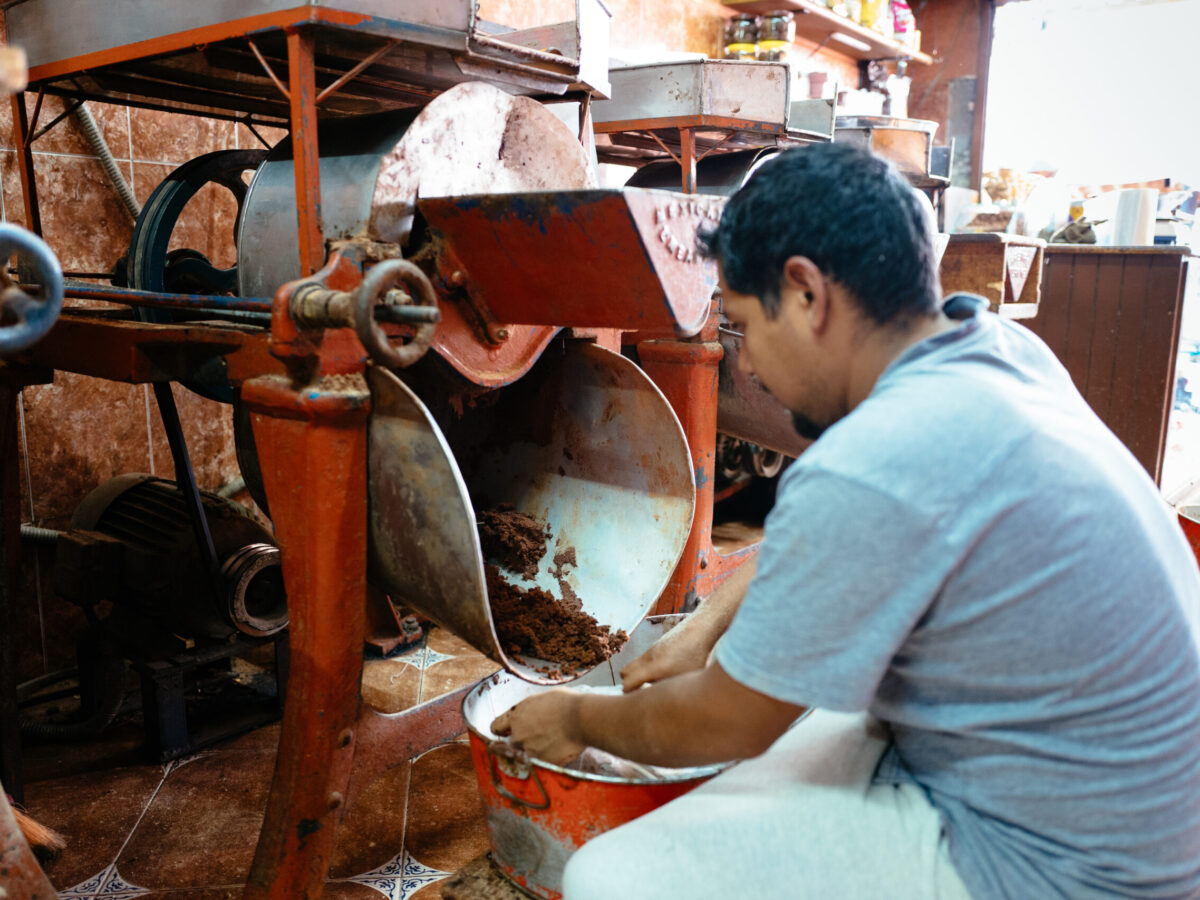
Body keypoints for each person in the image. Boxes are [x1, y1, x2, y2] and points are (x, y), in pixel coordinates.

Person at [492, 143, 1200, 899]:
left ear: (804, 293)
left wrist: (574, 717)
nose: (751, 367)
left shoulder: (872, 460)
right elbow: (850, 541)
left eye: (742, 327)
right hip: (1138, 811)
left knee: (609, 877)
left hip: (1072, 872)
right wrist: (704, 630)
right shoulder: (997, 348)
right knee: (807, 712)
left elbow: (723, 722)